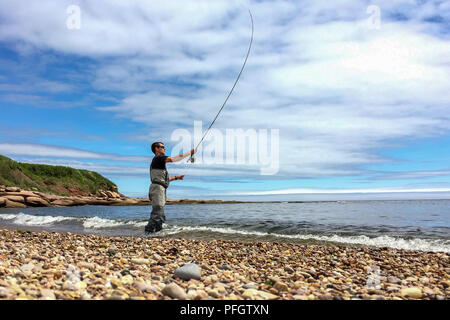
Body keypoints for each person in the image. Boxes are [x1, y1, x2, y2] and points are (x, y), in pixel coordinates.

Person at [144, 142, 197, 234]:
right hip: (157, 189)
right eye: (162, 147)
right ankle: (149, 233)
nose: (164, 149)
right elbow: (175, 158)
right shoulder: (159, 158)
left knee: (159, 212)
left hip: (158, 188)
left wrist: (176, 177)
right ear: (156, 149)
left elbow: (163, 179)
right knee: (158, 212)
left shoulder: (157, 161)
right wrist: (190, 152)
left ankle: (155, 232)